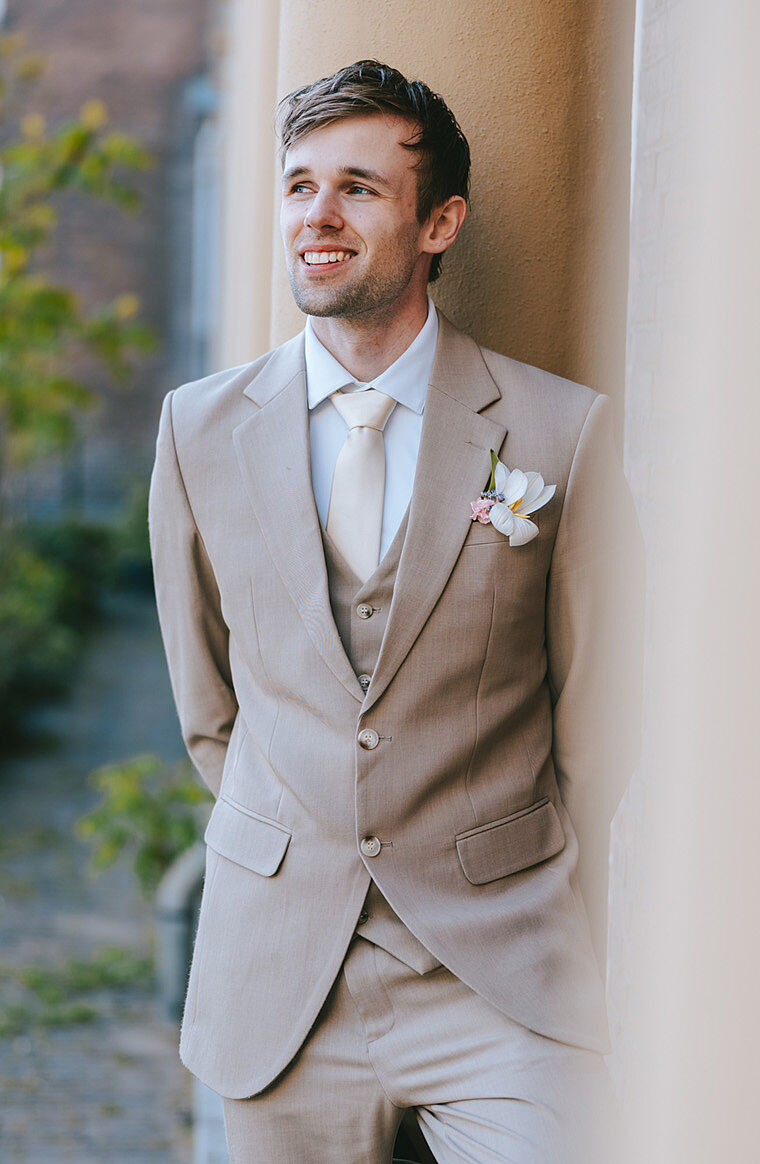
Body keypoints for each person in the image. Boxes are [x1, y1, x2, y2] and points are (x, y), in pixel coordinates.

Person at [148, 60, 639, 1162]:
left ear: (438, 222)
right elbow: (206, 705)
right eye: (298, 185)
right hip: (280, 980)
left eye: (360, 187)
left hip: (501, 969)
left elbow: (602, 714)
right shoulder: (197, 431)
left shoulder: (561, 433)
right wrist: (300, 837)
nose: (318, 215)